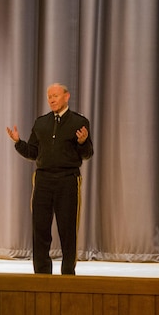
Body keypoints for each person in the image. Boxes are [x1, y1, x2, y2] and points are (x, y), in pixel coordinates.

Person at [6, 83, 94, 275]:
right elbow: (33, 152)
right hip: (43, 180)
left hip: (68, 180)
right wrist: (18, 142)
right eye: (49, 96)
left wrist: (83, 141)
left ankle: (68, 272)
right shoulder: (41, 123)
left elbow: (87, 154)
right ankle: (42, 273)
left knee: (68, 229)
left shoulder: (79, 122)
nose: (52, 99)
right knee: (40, 228)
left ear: (66, 96)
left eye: (55, 95)